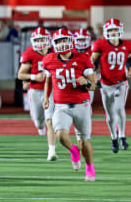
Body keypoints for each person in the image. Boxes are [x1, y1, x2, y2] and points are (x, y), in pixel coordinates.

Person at [43, 28, 97, 181]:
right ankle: (73, 151)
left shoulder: (83, 58)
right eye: (58, 41)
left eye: (64, 40)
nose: (61, 44)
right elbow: (48, 81)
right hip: (61, 106)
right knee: (60, 135)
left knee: (84, 142)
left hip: (82, 105)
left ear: (71, 40)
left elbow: (94, 85)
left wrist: (86, 82)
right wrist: (46, 98)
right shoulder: (48, 59)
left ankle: (89, 168)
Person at [91, 18, 131, 153]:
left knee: (120, 108)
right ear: (106, 32)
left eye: (115, 29)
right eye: (110, 30)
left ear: (120, 30)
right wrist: (94, 72)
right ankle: (114, 137)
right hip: (106, 83)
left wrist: (130, 68)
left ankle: (122, 136)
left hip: (122, 82)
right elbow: (91, 62)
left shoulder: (127, 44)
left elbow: (129, 59)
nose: (113, 32)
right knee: (110, 115)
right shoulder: (100, 44)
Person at [18, 27, 57, 161]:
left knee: (50, 120)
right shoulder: (29, 53)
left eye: (42, 39)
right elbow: (20, 74)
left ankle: (51, 151)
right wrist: (33, 77)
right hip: (35, 91)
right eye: (38, 39)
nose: (40, 42)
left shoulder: (55, 52)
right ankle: (40, 128)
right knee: (39, 121)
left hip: (51, 91)